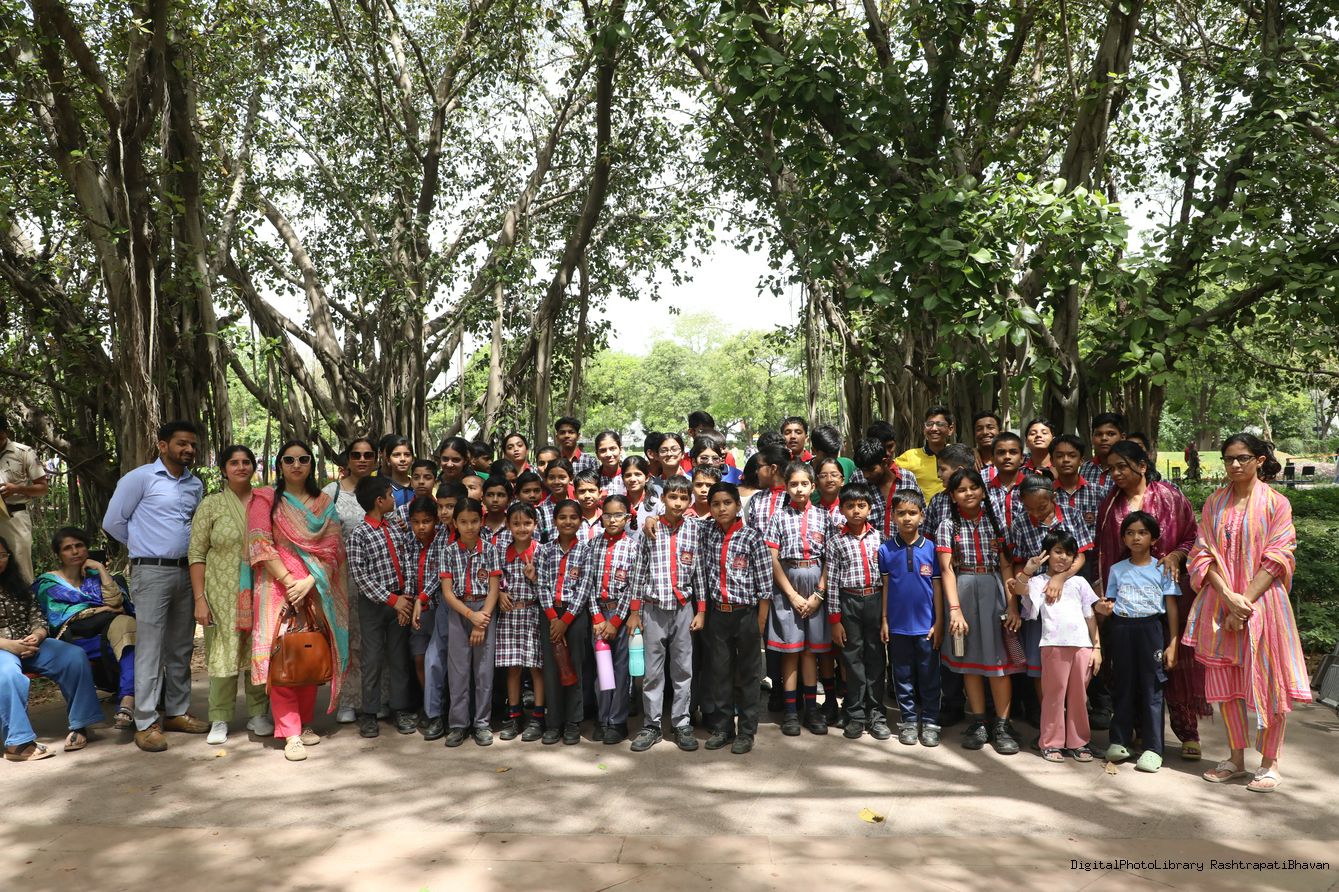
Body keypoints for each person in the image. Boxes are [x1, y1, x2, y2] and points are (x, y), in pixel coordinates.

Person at [1188, 435, 1311, 793]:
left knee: (1270, 683)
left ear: (1259, 460)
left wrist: (1243, 604)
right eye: (1228, 459)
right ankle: (1235, 759)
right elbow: (1202, 553)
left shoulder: (1276, 503)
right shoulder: (1215, 502)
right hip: (1221, 603)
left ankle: (1270, 763)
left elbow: (1279, 556)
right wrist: (1228, 598)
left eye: (1242, 458)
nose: (1234, 465)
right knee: (1227, 686)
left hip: (1264, 605)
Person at [1095, 440, 1205, 759]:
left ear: (1142, 466)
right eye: (1111, 469)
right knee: (1131, 672)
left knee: (1174, 663)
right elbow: (1105, 551)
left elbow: (1192, 536)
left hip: (1169, 590)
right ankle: (1140, 733)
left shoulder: (1170, 496)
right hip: (1128, 603)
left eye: (1122, 467)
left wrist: (1175, 555)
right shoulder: (1110, 505)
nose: (1116, 474)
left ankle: (1187, 733)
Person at [102, 419, 207, 752]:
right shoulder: (140, 479)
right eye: (181, 443)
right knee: (150, 648)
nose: (188, 449)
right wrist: (143, 546)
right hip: (150, 573)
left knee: (181, 646)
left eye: (192, 444)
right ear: (163, 445)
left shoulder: (195, 484)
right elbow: (113, 522)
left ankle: (176, 711)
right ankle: (146, 722)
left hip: (186, 572)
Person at [247, 440, 351, 761]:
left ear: (311, 464)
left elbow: (333, 548)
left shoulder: (323, 503)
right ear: (279, 464)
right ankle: (290, 733)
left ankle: (304, 723)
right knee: (282, 658)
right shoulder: (266, 499)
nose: (296, 465)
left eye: (303, 459)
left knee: (308, 655)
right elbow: (259, 543)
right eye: (289, 459)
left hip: (314, 590)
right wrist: (290, 582)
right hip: (277, 590)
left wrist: (309, 582)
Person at [187, 445, 271, 745]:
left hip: (261, 588)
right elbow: (196, 554)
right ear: (223, 469)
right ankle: (219, 717)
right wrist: (200, 599)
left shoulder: (266, 501)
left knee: (258, 649)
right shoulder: (211, 505)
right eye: (234, 463)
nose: (241, 467)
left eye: (246, 462)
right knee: (223, 652)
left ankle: (258, 713)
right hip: (221, 594)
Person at [937, 468, 1020, 755]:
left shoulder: (997, 523)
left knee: (998, 661)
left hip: (993, 590)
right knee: (969, 661)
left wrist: (1012, 605)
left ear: (983, 491)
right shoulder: (947, 525)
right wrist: (955, 610)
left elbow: (1007, 566)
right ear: (952, 496)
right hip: (962, 591)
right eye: (961, 489)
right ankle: (979, 722)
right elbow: (947, 570)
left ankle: (1002, 725)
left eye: (974, 487)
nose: (969, 493)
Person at [1, 534, 104, 761]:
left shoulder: (17, 585)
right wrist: (10, 645)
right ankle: (17, 743)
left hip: (30, 643)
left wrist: (37, 635)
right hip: (3, 649)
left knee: (74, 656)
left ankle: (80, 724)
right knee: (7, 674)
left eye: (2, 555)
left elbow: (37, 617)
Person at [1097, 511, 1180, 773]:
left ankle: (1153, 749)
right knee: (1123, 684)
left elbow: (1172, 607)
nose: (1136, 537)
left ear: (1153, 539)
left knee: (1152, 688)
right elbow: (1109, 602)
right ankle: (1119, 741)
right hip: (1122, 629)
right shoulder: (1117, 570)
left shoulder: (1162, 568)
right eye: (1130, 533)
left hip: (1150, 630)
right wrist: (1103, 609)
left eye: (1142, 533)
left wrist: (1173, 643)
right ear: (1123, 538)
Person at [33, 527, 136, 730]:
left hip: (107, 634)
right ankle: (127, 698)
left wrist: (100, 568)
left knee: (128, 628)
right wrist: (104, 609)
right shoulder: (48, 584)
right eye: (67, 548)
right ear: (58, 555)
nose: (75, 552)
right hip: (73, 640)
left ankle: (127, 701)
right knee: (130, 638)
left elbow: (116, 602)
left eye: (79, 546)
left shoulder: (94, 576)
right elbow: (62, 617)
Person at [698, 482, 771, 755]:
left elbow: (765, 584)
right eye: (715, 504)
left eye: (727, 503)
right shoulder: (706, 532)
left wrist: (760, 621)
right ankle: (723, 727)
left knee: (748, 674)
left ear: (738, 505)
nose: (721, 508)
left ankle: (747, 731)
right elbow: (680, 522)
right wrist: (652, 519)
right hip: (718, 614)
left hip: (746, 614)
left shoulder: (752, 537)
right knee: (720, 672)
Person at [630, 475, 700, 752]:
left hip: (684, 607)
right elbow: (638, 572)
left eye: (684, 498)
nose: (678, 503)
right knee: (653, 672)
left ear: (690, 500)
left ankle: (681, 722)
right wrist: (634, 612)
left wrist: (702, 610)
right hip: (653, 607)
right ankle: (652, 724)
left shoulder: (695, 529)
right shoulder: (651, 529)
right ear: (663, 499)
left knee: (683, 669)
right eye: (673, 497)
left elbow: (700, 573)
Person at [1020, 531, 1100, 763]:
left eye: (1068, 553)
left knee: (1079, 697)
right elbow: (1020, 591)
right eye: (1058, 551)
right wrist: (1027, 571)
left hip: (1083, 646)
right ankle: (1051, 742)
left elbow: (1090, 615)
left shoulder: (1080, 582)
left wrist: (1097, 647)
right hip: (1053, 645)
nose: (1063, 557)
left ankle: (1079, 742)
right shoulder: (1038, 582)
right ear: (1047, 554)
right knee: (1054, 696)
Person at [765, 461, 832, 736]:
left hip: (816, 582)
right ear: (786, 487)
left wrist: (819, 593)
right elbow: (772, 559)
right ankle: (791, 711)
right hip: (787, 583)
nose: (799, 489)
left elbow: (830, 558)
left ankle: (811, 709)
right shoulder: (778, 517)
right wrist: (791, 595)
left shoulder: (824, 517)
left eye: (804, 483)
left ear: (813, 486)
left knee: (809, 651)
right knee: (790, 650)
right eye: (793, 484)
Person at [347, 476, 416, 739]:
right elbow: (360, 576)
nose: (393, 499)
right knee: (372, 658)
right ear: (379, 501)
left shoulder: (395, 527)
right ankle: (369, 712)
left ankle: (400, 708)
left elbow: (407, 561)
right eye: (389, 494)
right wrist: (392, 600)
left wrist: (405, 598)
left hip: (401, 602)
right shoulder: (359, 534)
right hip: (375, 605)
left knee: (399, 657)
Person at [879, 490, 943, 747]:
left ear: (922, 516)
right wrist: (885, 620)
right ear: (893, 516)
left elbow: (937, 588)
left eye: (912, 513)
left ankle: (930, 722)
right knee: (902, 676)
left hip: (927, 627)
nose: (907, 518)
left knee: (929, 676)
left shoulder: (932, 549)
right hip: (897, 627)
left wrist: (939, 622)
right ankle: (908, 721)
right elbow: (886, 587)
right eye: (901, 513)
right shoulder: (885, 550)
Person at [323, 436, 377, 724]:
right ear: (347, 459)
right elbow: (316, 532)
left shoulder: (383, 490)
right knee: (346, 639)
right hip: (342, 579)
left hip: (377, 580)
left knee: (374, 641)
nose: (362, 460)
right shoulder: (331, 492)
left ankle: (375, 699)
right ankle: (347, 700)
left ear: (376, 459)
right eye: (356, 455)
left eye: (368, 455)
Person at [825, 483, 885, 740]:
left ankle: (876, 714)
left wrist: (886, 616)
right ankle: (856, 714)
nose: (856, 511)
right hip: (849, 601)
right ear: (841, 510)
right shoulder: (835, 542)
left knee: (876, 658)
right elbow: (832, 583)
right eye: (850, 506)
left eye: (861, 506)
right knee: (852, 659)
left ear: (870, 509)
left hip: (875, 599)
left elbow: (887, 577)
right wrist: (835, 620)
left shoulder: (880, 538)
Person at [441, 498, 502, 748]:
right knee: (458, 671)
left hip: (485, 612)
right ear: (455, 523)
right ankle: (458, 724)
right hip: (459, 612)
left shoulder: (490, 550)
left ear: (481, 521)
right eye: (464, 522)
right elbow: (447, 593)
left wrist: (481, 620)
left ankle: (482, 723)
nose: (469, 527)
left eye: (474, 521)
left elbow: (494, 589)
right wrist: (470, 615)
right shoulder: (448, 552)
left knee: (484, 670)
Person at [582, 493, 641, 745]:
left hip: (622, 616)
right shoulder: (592, 546)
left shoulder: (634, 547)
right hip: (598, 615)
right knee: (602, 669)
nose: (613, 520)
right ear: (601, 517)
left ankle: (618, 721)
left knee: (620, 669)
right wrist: (597, 617)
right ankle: (603, 718)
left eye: (618, 515)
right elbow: (587, 583)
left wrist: (616, 620)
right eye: (607, 515)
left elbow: (634, 586)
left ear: (627, 517)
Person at [537, 499, 590, 746]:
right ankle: (554, 722)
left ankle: (573, 721)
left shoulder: (586, 551)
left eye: (573, 517)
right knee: (551, 668)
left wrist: (565, 621)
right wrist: (553, 618)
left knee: (574, 666)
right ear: (555, 521)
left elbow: (584, 588)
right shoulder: (545, 550)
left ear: (580, 521)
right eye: (562, 517)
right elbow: (542, 585)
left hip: (574, 616)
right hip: (549, 615)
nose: (568, 522)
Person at [496, 502, 546, 742]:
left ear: (535, 524)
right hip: (509, 616)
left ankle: (538, 717)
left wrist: (535, 578)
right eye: (516, 523)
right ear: (508, 525)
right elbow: (494, 580)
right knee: (513, 667)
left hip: (533, 613)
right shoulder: (501, 551)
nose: (522, 528)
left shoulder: (542, 551)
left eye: (527, 523)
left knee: (536, 667)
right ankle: (514, 715)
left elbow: (548, 586)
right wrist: (500, 594)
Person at [403, 494, 444, 733]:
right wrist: (409, 602)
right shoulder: (410, 542)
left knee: (435, 661)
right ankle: (429, 706)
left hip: (436, 608)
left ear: (435, 521)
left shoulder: (441, 541)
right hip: (416, 611)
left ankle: (438, 709)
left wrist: (422, 597)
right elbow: (409, 574)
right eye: (416, 522)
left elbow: (440, 574)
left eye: (426, 521)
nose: (421, 527)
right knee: (419, 658)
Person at [0, 413, 49, 583]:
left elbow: (43, 488)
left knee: (21, 567)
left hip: (14, 517)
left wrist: (17, 489)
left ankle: (26, 599)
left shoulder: (23, 452)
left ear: (4, 432)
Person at [854, 437, 921, 539]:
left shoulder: (907, 480)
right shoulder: (859, 481)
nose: (866, 475)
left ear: (884, 462)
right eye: (863, 470)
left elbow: (920, 518)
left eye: (871, 470)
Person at [1049, 435, 1103, 548]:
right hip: (1058, 555)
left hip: (1091, 554)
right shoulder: (1047, 494)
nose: (1066, 460)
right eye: (1059, 456)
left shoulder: (1098, 492)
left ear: (1081, 461)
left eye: (1072, 455)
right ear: (1052, 461)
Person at [896, 406, 956, 499]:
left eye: (939, 424)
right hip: (923, 508)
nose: (934, 428)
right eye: (929, 424)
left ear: (950, 429)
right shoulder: (910, 456)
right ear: (924, 429)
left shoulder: (957, 454)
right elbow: (888, 471)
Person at [743, 445, 789, 532]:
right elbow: (750, 531)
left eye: (758, 467)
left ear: (773, 468)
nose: (756, 471)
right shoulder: (756, 498)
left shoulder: (793, 496)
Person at [986, 432, 1026, 529]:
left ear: (1022, 458)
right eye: (1001, 452)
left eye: (1013, 452)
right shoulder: (985, 490)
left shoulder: (1032, 487)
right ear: (992, 459)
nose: (1007, 456)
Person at [1082, 412, 1125, 493]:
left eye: (1111, 434)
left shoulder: (1129, 469)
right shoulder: (1086, 467)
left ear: (1122, 437)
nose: (1104, 438)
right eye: (1099, 434)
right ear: (1092, 438)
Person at [382, 435, 415, 508]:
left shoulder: (418, 487)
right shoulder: (383, 489)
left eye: (407, 455)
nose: (402, 459)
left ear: (413, 459)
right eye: (396, 455)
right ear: (388, 460)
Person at [970, 411, 1001, 481]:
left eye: (990, 427)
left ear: (1000, 432)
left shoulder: (1013, 460)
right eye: (979, 429)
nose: (985, 432)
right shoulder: (968, 463)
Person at [593, 430, 626, 496]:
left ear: (621, 450)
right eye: (603, 450)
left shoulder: (629, 476)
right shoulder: (593, 479)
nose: (608, 454)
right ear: (597, 455)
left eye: (612, 449)